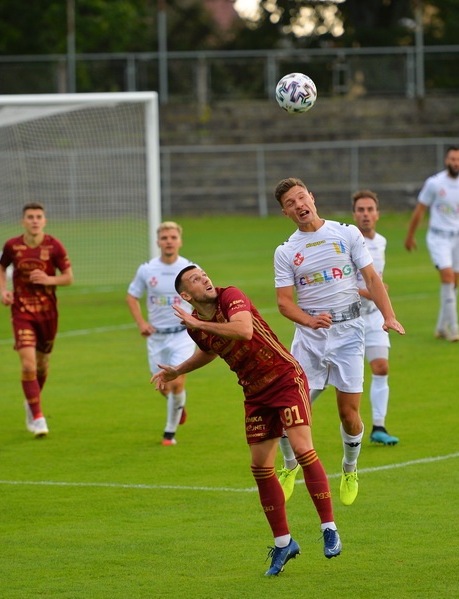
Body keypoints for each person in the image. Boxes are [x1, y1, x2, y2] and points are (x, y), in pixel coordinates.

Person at [151, 265, 341, 576]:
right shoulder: (196, 327)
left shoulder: (231, 296)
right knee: (260, 468)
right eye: (196, 280)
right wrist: (178, 370)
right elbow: (209, 351)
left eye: (204, 274)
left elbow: (243, 330)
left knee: (302, 448)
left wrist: (198, 322)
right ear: (186, 295)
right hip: (254, 393)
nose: (206, 279)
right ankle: (284, 543)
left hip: (283, 378)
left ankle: (329, 527)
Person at [273, 177, 404, 507]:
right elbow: (284, 303)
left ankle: (349, 468)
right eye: (291, 203)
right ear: (285, 212)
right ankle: (289, 466)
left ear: (312, 198)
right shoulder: (286, 251)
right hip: (310, 338)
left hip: (349, 334)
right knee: (288, 410)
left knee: (348, 414)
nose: (299, 205)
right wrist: (309, 320)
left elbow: (372, 279)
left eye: (301, 197)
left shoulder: (345, 233)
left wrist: (388, 316)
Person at [0, 202, 73, 437]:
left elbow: (69, 278)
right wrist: (3, 290)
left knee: (42, 364)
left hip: (48, 313)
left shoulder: (54, 246)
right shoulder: (12, 246)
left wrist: (49, 280)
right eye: (30, 217)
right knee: (28, 364)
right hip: (22, 311)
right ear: (23, 221)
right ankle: (38, 417)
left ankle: (31, 403)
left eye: (39, 216)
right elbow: (1, 268)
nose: (34, 220)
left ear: (45, 221)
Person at [405, 146, 459, 342]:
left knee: (454, 283)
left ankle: (441, 327)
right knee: (448, 277)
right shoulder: (434, 183)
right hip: (438, 237)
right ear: (446, 161)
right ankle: (454, 328)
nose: (456, 163)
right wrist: (410, 235)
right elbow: (420, 209)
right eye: (452, 159)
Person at [126, 222, 195, 446]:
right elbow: (131, 296)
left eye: (173, 237)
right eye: (164, 237)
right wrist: (141, 323)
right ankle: (178, 405)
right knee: (163, 386)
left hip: (183, 334)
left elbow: (205, 296)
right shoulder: (147, 269)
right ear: (158, 242)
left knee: (176, 381)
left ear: (180, 241)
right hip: (156, 337)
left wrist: (198, 321)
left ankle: (169, 433)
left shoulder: (190, 269)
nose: (168, 241)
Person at [351, 189, 399, 446]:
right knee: (326, 380)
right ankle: (292, 423)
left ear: (377, 214)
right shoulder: (348, 241)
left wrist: (379, 291)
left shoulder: (381, 242)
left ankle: (378, 427)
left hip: (374, 317)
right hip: (349, 319)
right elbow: (343, 281)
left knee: (381, 367)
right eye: (361, 210)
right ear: (354, 214)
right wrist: (368, 291)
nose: (366, 214)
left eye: (370, 209)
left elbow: (374, 278)